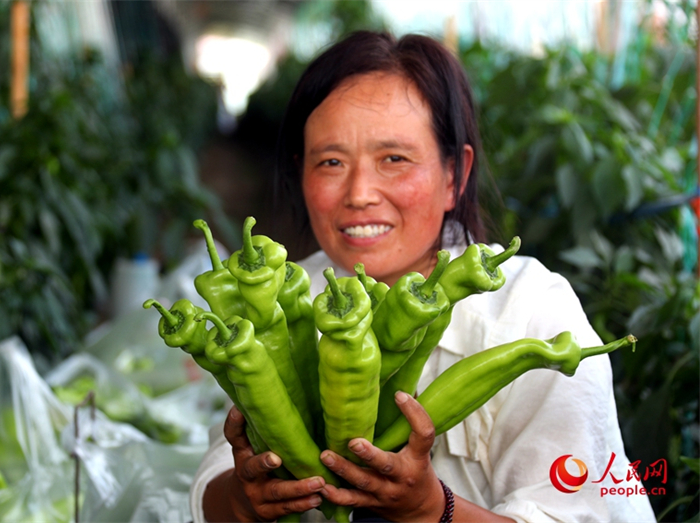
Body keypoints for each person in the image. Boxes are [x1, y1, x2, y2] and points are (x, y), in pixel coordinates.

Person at [189, 31, 656, 523]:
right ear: (301, 174)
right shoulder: (278, 299)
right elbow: (215, 485)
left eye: (394, 159)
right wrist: (244, 500)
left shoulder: (531, 312)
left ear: (455, 175)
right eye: (330, 162)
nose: (359, 193)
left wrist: (432, 510)